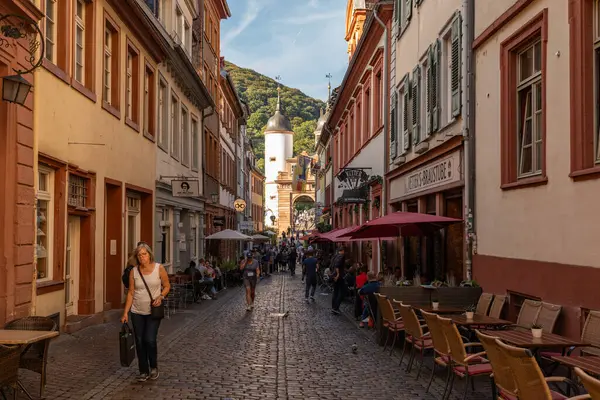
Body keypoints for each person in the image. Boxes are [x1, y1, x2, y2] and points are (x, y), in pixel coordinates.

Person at [121, 243, 171, 382]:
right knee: (139, 341)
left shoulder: (158, 268)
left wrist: (161, 296)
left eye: (144, 254)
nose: (142, 257)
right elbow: (131, 292)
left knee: (149, 339)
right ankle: (143, 370)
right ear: (136, 257)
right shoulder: (134, 272)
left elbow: (167, 286)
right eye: (139, 255)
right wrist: (126, 313)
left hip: (153, 311)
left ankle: (153, 367)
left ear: (149, 255)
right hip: (137, 311)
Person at [330, 247, 346, 315]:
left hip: (333, 275)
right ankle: (336, 307)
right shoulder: (341, 256)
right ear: (342, 251)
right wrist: (338, 275)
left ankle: (333, 307)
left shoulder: (334, 256)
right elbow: (337, 265)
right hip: (338, 277)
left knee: (335, 292)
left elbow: (331, 265)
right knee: (342, 292)